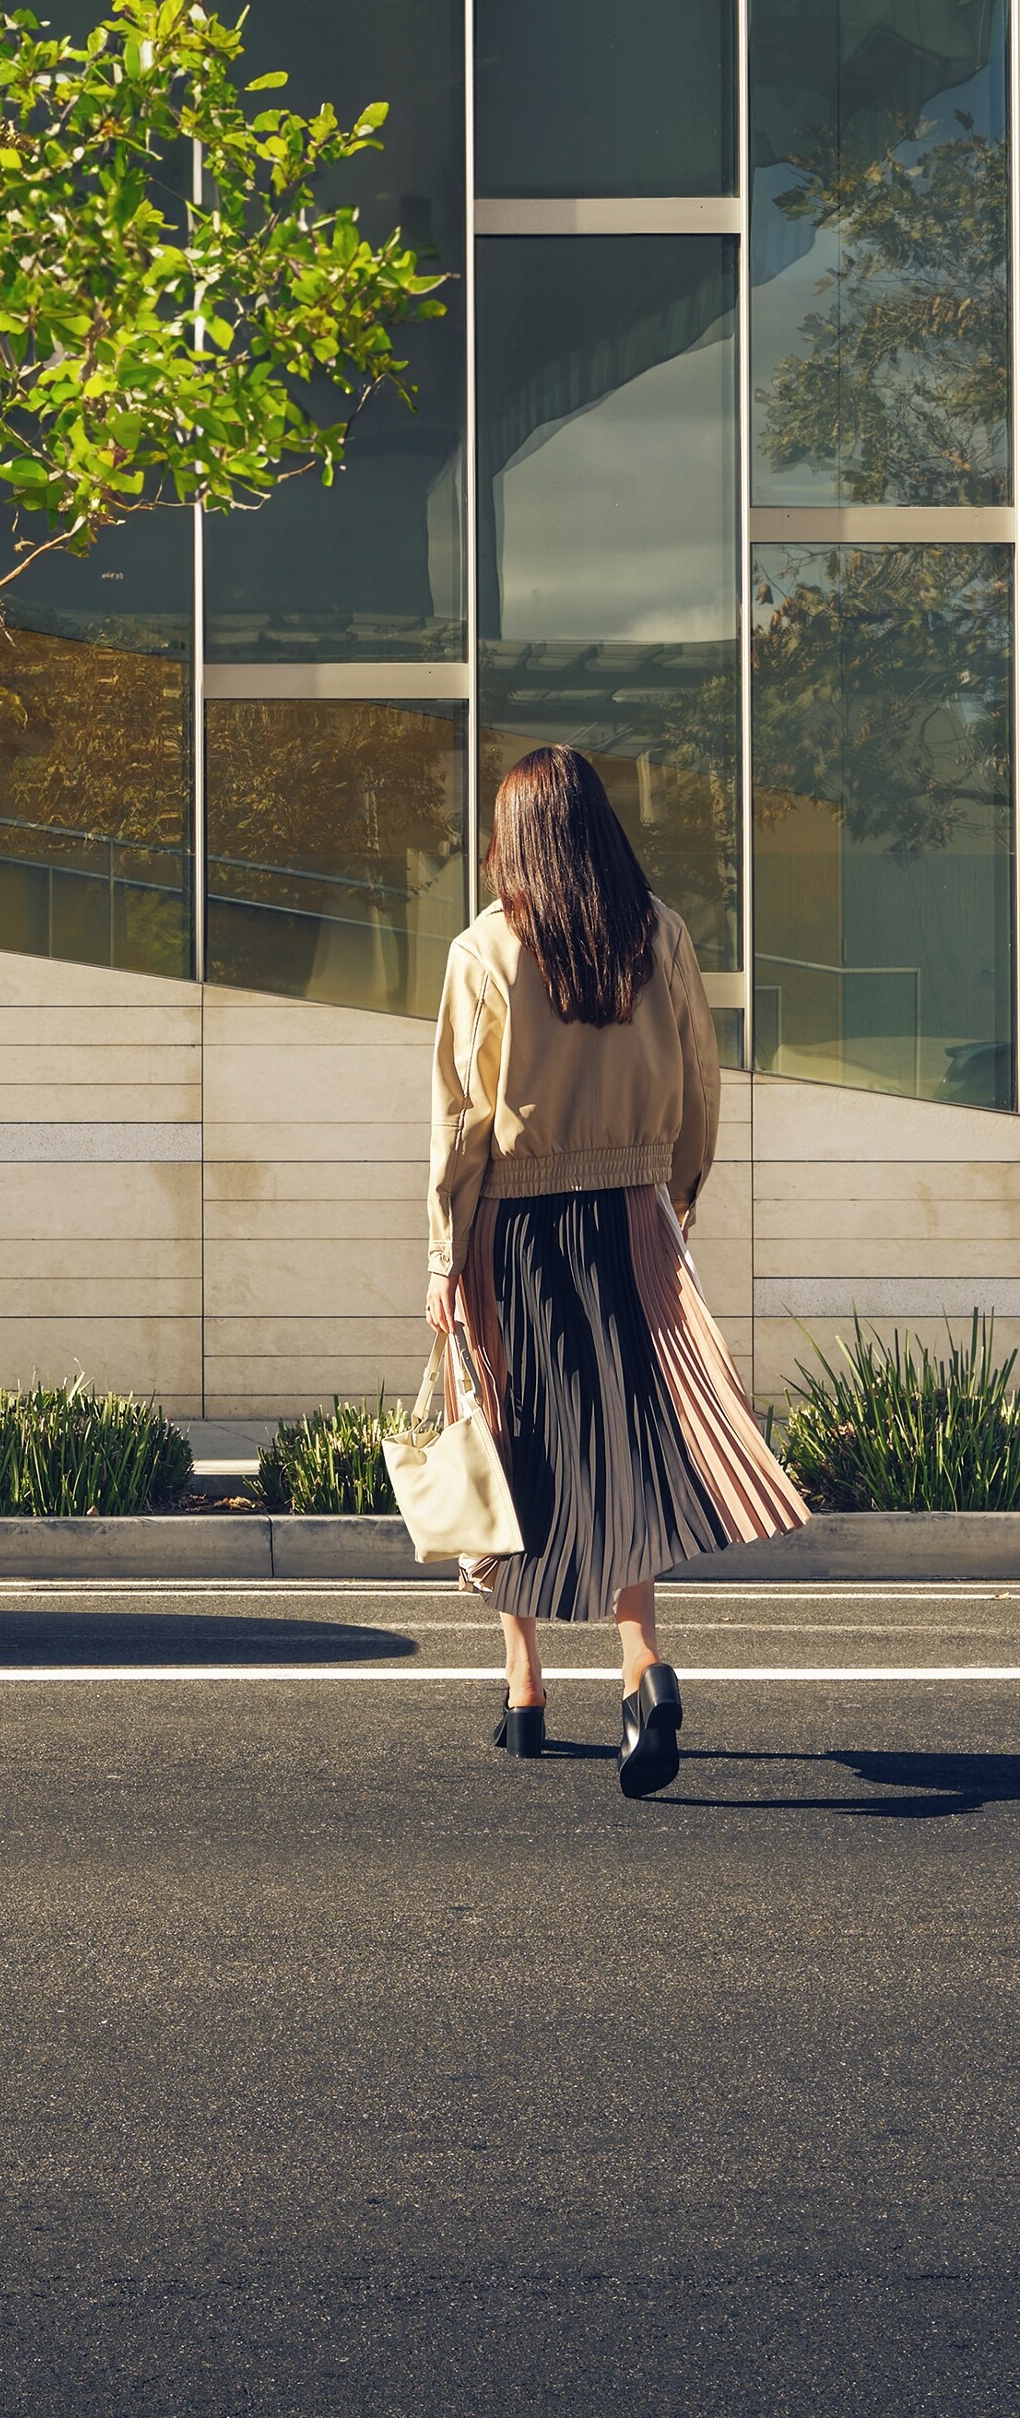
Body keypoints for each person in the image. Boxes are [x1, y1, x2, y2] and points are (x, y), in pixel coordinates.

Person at [425, 744, 806, 1797]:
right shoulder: (659, 935)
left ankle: (525, 1682)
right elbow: (697, 1082)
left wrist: (443, 1255)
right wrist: (674, 1198)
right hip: (634, 1217)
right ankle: (641, 1665)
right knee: (621, 1450)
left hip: (518, 1231)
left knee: (512, 1445)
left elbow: (460, 1126)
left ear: (518, 838)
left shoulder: (484, 951)